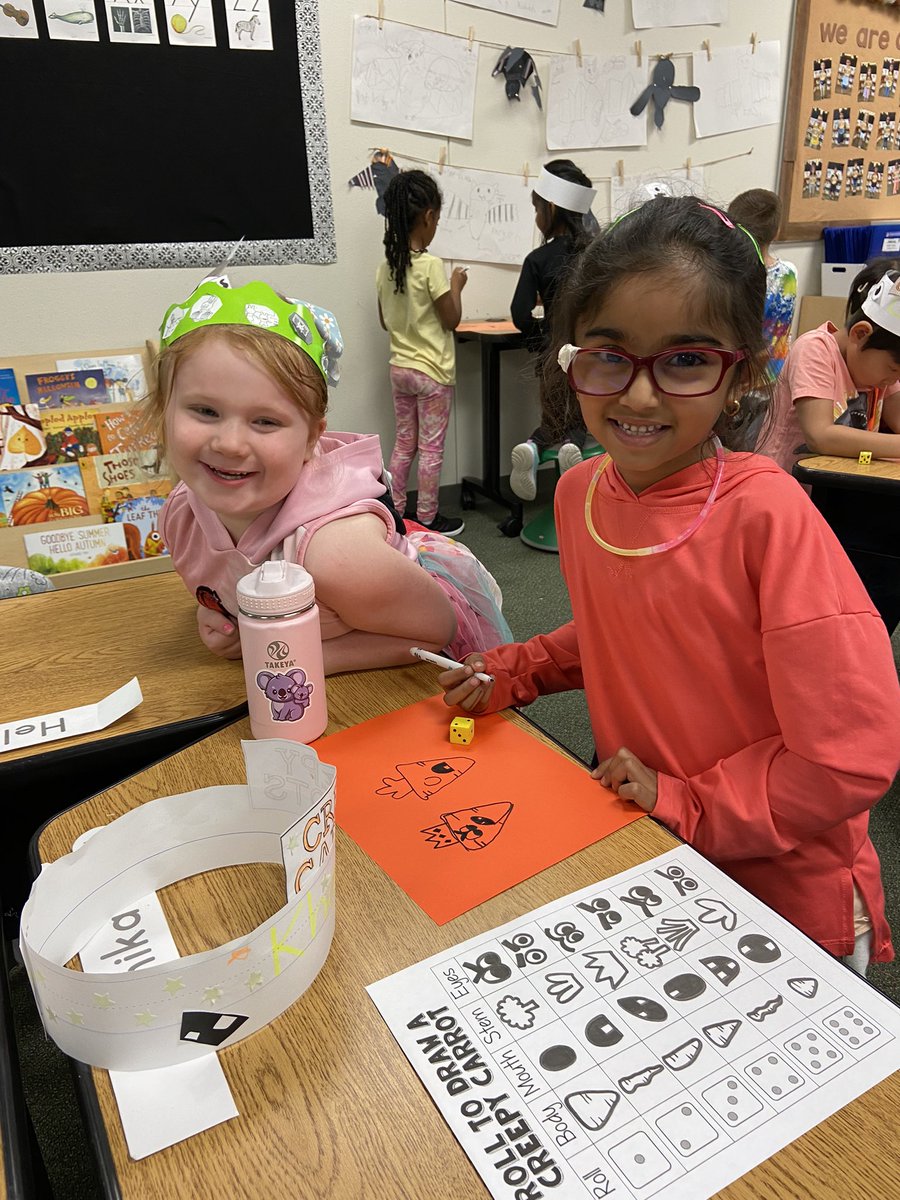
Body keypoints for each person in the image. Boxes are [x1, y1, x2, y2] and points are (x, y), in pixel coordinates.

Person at [438, 196, 900, 974]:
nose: (639, 395)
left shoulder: (768, 516)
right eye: (609, 354)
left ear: (740, 373)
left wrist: (689, 802)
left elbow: (848, 758)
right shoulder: (580, 493)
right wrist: (513, 671)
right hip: (654, 854)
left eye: (685, 360)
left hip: (785, 899)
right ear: (570, 356)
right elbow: (628, 632)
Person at [150, 274, 511, 674]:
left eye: (266, 421)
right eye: (205, 411)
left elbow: (435, 631)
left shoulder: (336, 555)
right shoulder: (181, 514)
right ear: (164, 408)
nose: (230, 444)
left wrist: (282, 655)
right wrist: (225, 618)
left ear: (311, 440)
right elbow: (222, 583)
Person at [376, 169, 467, 537]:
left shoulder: (385, 268)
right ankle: (428, 518)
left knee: (403, 445)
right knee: (430, 450)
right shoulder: (431, 266)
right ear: (428, 217)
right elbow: (452, 320)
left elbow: (385, 321)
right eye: (437, 220)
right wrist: (457, 285)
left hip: (400, 368)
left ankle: (395, 513)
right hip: (431, 374)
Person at [508, 161, 597, 501]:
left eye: (536, 208)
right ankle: (571, 449)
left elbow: (519, 313)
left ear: (553, 206)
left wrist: (540, 341)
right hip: (590, 356)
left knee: (553, 418)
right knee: (581, 418)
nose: (536, 216)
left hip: (552, 355)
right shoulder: (596, 254)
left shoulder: (538, 258)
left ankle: (533, 446)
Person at [763, 257, 900, 473]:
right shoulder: (815, 350)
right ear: (861, 334)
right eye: (894, 369)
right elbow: (820, 435)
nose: (895, 379)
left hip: (840, 488)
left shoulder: (878, 368)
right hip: (788, 486)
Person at [726, 188, 798, 382]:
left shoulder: (729, 277)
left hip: (741, 379)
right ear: (776, 232)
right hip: (777, 375)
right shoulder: (789, 273)